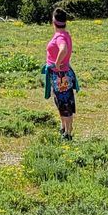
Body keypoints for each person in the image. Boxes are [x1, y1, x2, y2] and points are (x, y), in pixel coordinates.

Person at [43, 8, 78, 139]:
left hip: (60, 76)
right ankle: (64, 127)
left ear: (53, 21)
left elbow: (63, 49)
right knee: (62, 101)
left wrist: (57, 63)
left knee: (64, 103)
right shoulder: (65, 34)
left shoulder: (59, 37)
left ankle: (68, 133)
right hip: (63, 74)